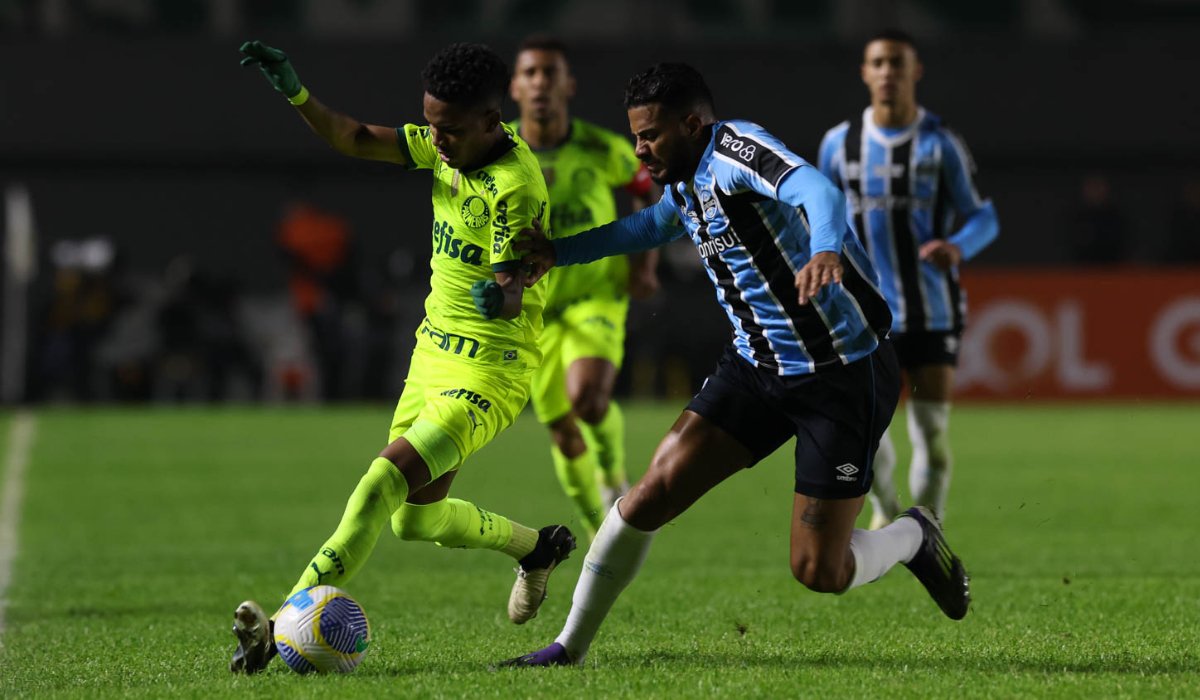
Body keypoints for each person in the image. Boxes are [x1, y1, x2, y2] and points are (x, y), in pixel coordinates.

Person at [501, 62, 970, 668]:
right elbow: (651, 224)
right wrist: (559, 253)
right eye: (636, 136)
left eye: (650, 136)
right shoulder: (682, 180)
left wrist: (826, 249)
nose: (640, 150)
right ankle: (569, 647)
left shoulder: (736, 151)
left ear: (692, 124)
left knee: (819, 569)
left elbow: (820, 192)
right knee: (647, 497)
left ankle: (912, 537)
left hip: (841, 373)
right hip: (755, 368)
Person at [230, 40, 577, 674]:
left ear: (490, 121)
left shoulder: (514, 187)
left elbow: (512, 290)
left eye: (450, 129)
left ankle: (275, 629)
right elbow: (354, 138)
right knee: (414, 522)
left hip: (489, 372)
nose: (436, 140)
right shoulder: (446, 145)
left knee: (380, 484)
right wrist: (296, 92)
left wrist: (499, 294)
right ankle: (537, 549)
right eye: (430, 123)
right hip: (432, 354)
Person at [817, 29, 999, 529]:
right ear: (864, 72)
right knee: (867, 431)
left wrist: (958, 247)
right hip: (861, 314)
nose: (887, 72)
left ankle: (927, 527)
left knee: (931, 434)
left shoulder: (940, 144)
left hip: (930, 311)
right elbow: (818, 211)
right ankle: (884, 508)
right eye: (878, 63)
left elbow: (983, 216)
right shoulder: (839, 143)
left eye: (897, 63)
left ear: (915, 71)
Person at [509, 35, 659, 540]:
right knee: (562, 430)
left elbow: (647, 191)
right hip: (534, 307)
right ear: (515, 87)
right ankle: (599, 531)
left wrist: (644, 263)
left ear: (568, 85)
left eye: (549, 73)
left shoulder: (600, 147)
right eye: (530, 74)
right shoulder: (499, 152)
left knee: (588, 399)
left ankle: (614, 480)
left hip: (597, 293)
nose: (540, 83)